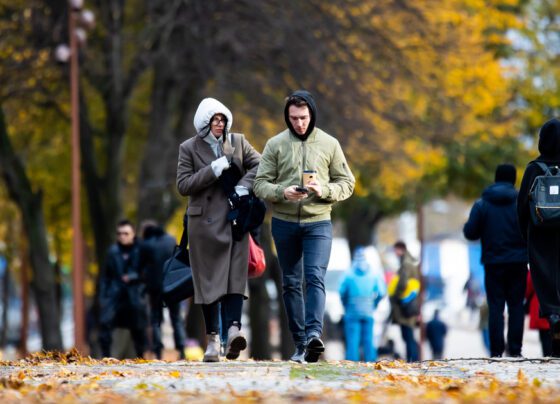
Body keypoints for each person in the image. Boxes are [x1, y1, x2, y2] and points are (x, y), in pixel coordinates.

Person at [254, 90, 355, 363]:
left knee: (314, 277)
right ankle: (300, 343)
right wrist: (281, 193)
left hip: (318, 221)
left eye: (303, 117)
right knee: (290, 283)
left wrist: (324, 190)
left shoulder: (329, 143)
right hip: (284, 222)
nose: (299, 123)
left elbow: (347, 183)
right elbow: (259, 183)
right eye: (294, 118)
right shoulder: (275, 144)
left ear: (312, 114)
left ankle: (313, 335)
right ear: (287, 117)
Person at [176, 97, 260, 362]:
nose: (220, 124)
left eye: (223, 119)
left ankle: (234, 330)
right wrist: (212, 170)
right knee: (209, 283)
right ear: (204, 122)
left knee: (236, 276)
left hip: (235, 221)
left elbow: (260, 164)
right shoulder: (188, 148)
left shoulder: (238, 142)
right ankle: (213, 340)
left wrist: (243, 186)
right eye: (215, 119)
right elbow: (183, 185)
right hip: (204, 226)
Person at [464, 163, 528, 357]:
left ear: (495, 178)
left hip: (493, 263)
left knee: (496, 306)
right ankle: (515, 350)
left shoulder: (482, 204)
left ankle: (496, 351)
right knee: (517, 306)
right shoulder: (522, 202)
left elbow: (470, 232)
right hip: (518, 262)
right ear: (514, 179)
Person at [518, 118, 560, 357]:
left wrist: (527, 237)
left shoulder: (534, 168)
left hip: (541, 239)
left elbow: (522, 206)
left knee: (548, 289)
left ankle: (554, 320)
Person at [98, 220, 148, 358]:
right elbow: (105, 276)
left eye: (126, 233)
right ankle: (105, 357)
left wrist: (133, 277)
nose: (122, 236)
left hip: (135, 295)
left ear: (133, 234)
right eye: (119, 233)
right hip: (115, 295)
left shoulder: (142, 250)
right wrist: (104, 297)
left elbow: (148, 273)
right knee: (105, 324)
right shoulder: (112, 251)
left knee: (138, 329)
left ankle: (141, 356)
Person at [140, 221, 187, 360]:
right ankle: (181, 349)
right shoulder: (171, 240)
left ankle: (158, 351)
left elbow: (141, 267)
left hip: (154, 288)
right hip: (173, 285)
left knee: (155, 319)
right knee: (176, 319)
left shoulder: (146, 245)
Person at [339, 247, 386, 362]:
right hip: (368, 311)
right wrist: (373, 304)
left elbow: (341, 292)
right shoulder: (373, 274)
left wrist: (345, 304)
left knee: (352, 341)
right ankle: (371, 363)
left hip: (352, 311)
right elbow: (382, 292)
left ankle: (351, 364)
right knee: (368, 340)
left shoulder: (348, 274)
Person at [390, 241, 420, 362]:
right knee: (408, 335)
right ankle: (412, 359)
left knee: (407, 335)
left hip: (405, 304)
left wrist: (395, 295)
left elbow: (403, 283)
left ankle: (411, 360)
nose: (395, 253)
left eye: (395, 250)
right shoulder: (409, 262)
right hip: (410, 303)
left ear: (400, 249)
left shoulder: (406, 264)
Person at [525, 271, 552, 356]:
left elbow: (528, 286)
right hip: (552, 302)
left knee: (545, 335)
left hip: (540, 303)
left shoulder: (537, 263)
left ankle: (547, 356)